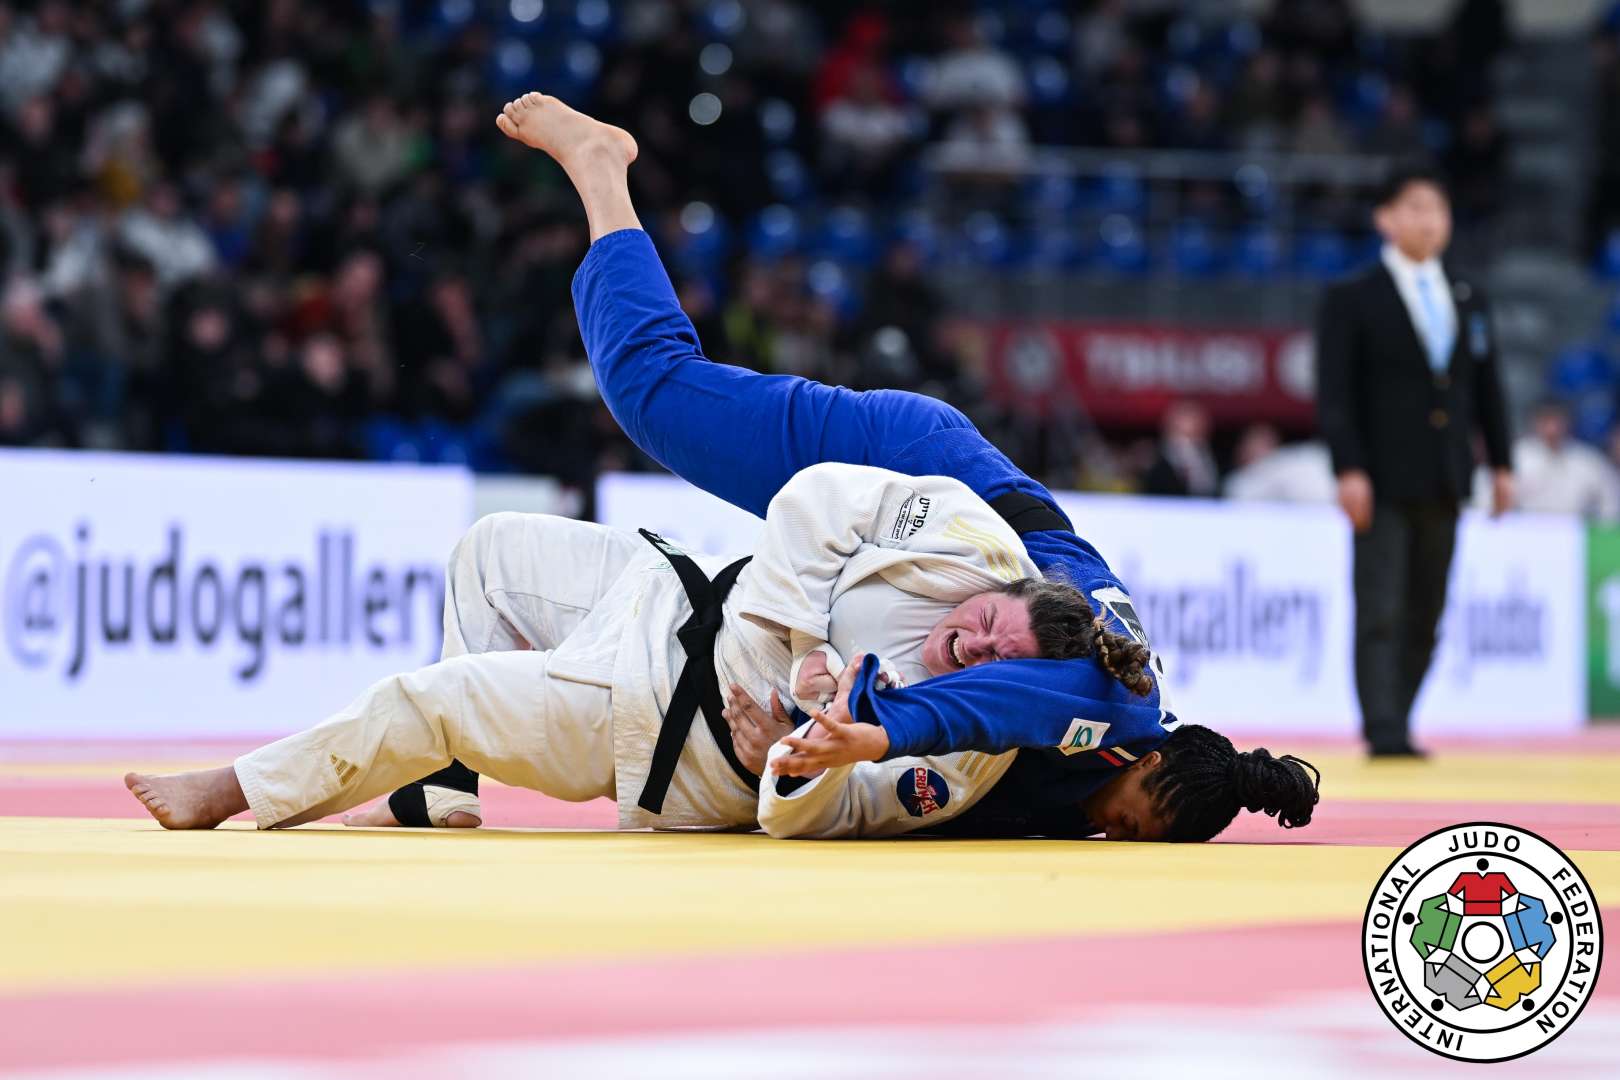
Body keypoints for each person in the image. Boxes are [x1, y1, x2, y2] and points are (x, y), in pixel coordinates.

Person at [381, 92, 1317, 842]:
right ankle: (600, 166)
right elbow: (974, 707)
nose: (1117, 834)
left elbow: (918, 787)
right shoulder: (1114, 701)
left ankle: (439, 774)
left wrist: (795, 751)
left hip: (934, 528)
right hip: (920, 478)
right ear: (1145, 762)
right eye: (1136, 822)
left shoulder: (1091, 768)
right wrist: (859, 735)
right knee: (652, 394)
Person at [128, 459, 1137, 836]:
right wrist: (800, 641)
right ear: (1003, 586)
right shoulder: (967, 538)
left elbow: (837, 818)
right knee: (487, 551)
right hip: (676, 594)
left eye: (988, 663)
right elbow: (815, 500)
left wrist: (782, 768)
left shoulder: (961, 754)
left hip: (665, 725)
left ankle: (233, 790)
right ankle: (438, 793)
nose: (967, 647)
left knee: (430, 696)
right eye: (984, 625)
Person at [1315, 164, 1514, 759]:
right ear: (1386, 218)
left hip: (1447, 474)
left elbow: (1487, 387)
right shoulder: (1352, 296)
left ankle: (1399, 716)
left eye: (1439, 209)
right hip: (1379, 476)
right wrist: (1348, 468)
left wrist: (1502, 463)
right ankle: (1383, 728)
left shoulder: (1468, 295)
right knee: (1380, 605)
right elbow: (1335, 393)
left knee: (1427, 608)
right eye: (1417, 207)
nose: (1430, 220)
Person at [1487, 398, 1618, 521]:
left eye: (1557, 420)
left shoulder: (1588, 461)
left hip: (1574, 530)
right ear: (1534, 422)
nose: (1552, 428)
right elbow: (1489, 499)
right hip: (1524, 529)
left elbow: (1610, 503)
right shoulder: (1515, 456)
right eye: (1546, 420)